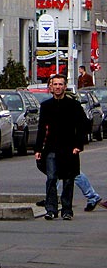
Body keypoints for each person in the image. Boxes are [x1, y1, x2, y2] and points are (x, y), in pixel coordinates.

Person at [34, 73, 91, 220]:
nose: (58, 87)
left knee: (68, 180)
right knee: (51, 178)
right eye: (55, 84)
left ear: (65, 87)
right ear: (50, 87)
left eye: (60, 84)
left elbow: (83, 125)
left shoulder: (74, 105)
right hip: (51, 148)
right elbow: (42, 128)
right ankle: (51, 209)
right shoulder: (46, 106)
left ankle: (67, 210)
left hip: (69, 148)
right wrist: (38, 149)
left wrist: (78, 145)